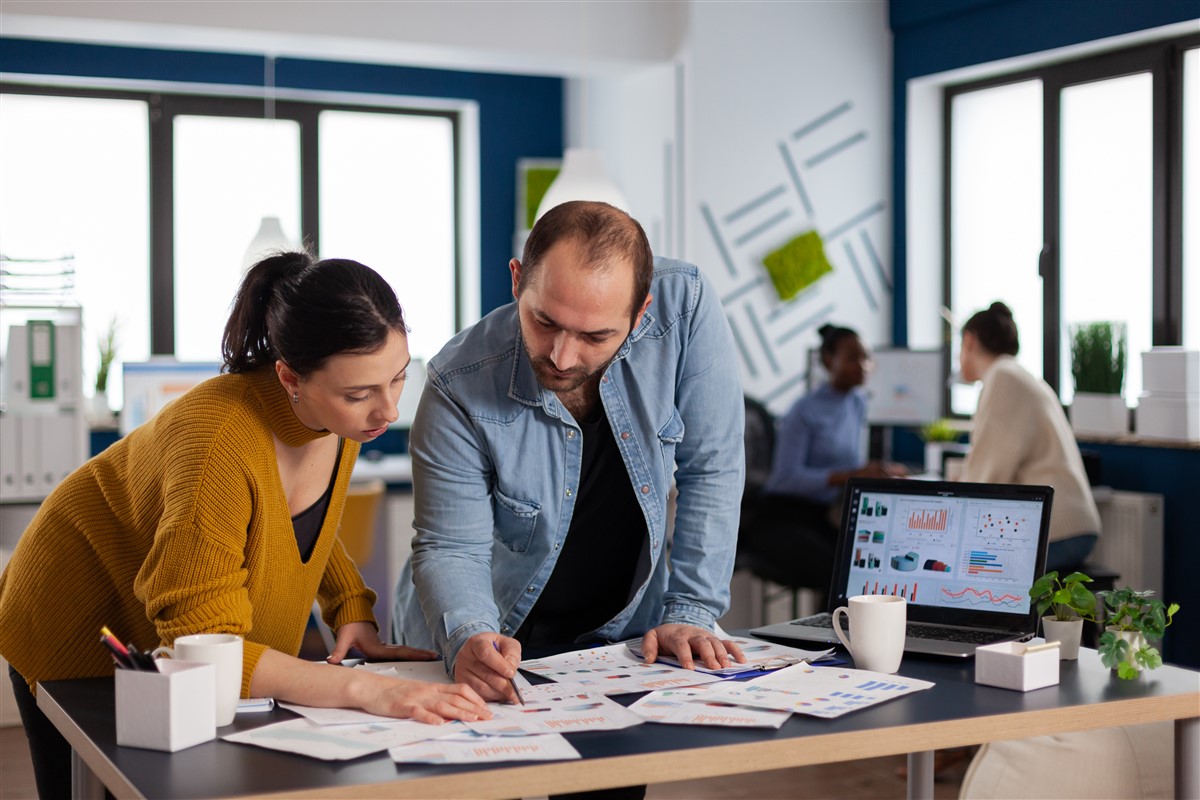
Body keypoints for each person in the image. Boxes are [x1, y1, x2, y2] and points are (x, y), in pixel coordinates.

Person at [0, 252, 488, 800]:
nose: (387, 411)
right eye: (359, 394)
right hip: (74, 613)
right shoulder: (217, 443)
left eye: (398, 378)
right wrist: (364, 689)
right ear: (290, 378)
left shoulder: (339, 421)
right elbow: (203, 646)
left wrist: (350, 607)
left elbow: (300, 519)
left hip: (166, 631)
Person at [392, 200, 748, 704]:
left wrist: (689, 610)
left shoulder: (683, 307)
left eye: (595, 336)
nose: (563, 356)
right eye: (544, 321)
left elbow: (712, 467)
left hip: (624, 638)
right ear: (517, 279)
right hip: (494, 629)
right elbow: (452, 546)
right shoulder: (458, 381)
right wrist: (469, 636)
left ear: (640, 312)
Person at [740, 324, 907, 595]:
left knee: (867, 559)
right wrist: (851, 475)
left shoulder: (857, 403)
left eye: (867, 357)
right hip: (782, 516)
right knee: (839, 567)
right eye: (853, 357)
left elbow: (850, 464)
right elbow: (784, 478)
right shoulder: (804, 411)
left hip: (822, 516)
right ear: (829, 360)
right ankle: (828, 635)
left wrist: (881, 471)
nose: (863, 365)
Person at [957, 301, 1101, 572]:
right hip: (1071, 527)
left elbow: (986, 477)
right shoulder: (1019, 374)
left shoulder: (1002, 377)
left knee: (968, 566)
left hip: (1057, 532)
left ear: (969, 341)